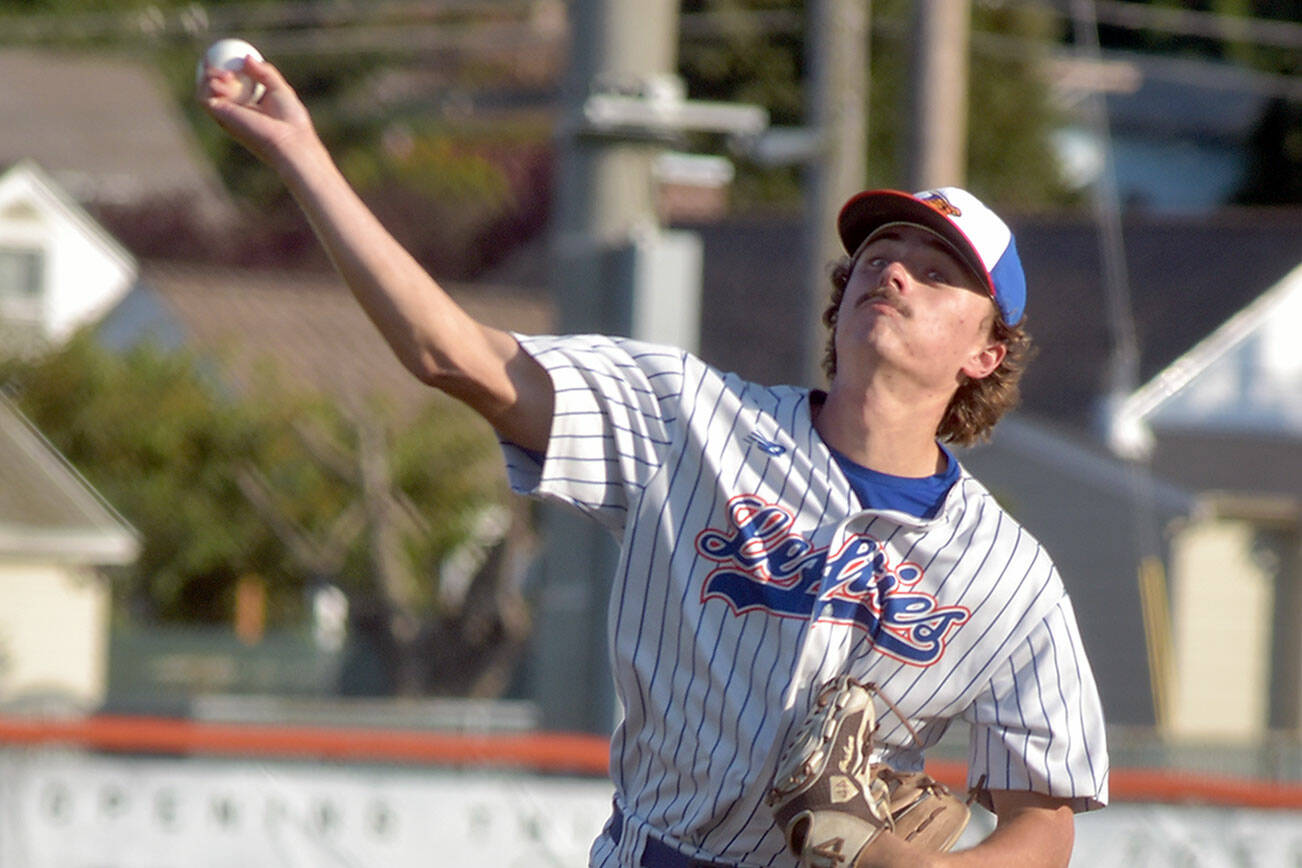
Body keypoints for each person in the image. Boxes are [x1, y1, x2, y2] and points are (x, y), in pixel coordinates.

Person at [201, 54, 1108, 868]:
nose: (895, 271)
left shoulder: (1007, 576)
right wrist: (302, 158)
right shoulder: (690, 420)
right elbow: (453, 355)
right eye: (880, 250)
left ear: (985, 353)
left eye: (937, 269)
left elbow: (1046, 824)